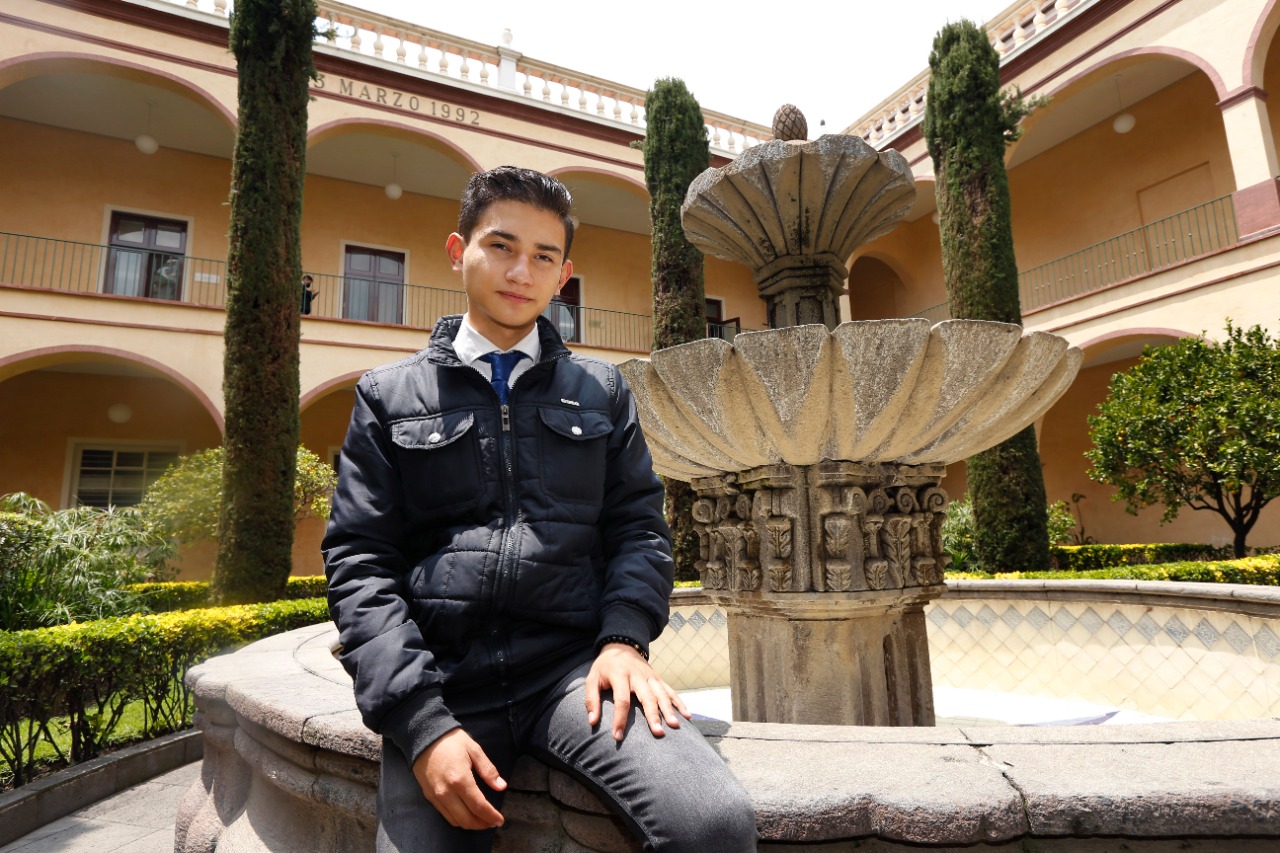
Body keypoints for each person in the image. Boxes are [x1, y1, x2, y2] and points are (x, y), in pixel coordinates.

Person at [323, 166, 756, 853]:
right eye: (500, 246)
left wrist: (624, 639)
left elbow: (639, 530)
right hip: (441, 678)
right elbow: (360, 563)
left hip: (574, 672)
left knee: (714, 822)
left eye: (543, 256)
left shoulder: (602, 391)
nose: (520, 270)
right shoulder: (387, 395)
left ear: (564, 273)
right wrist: (420, 722)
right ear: (457, 249)